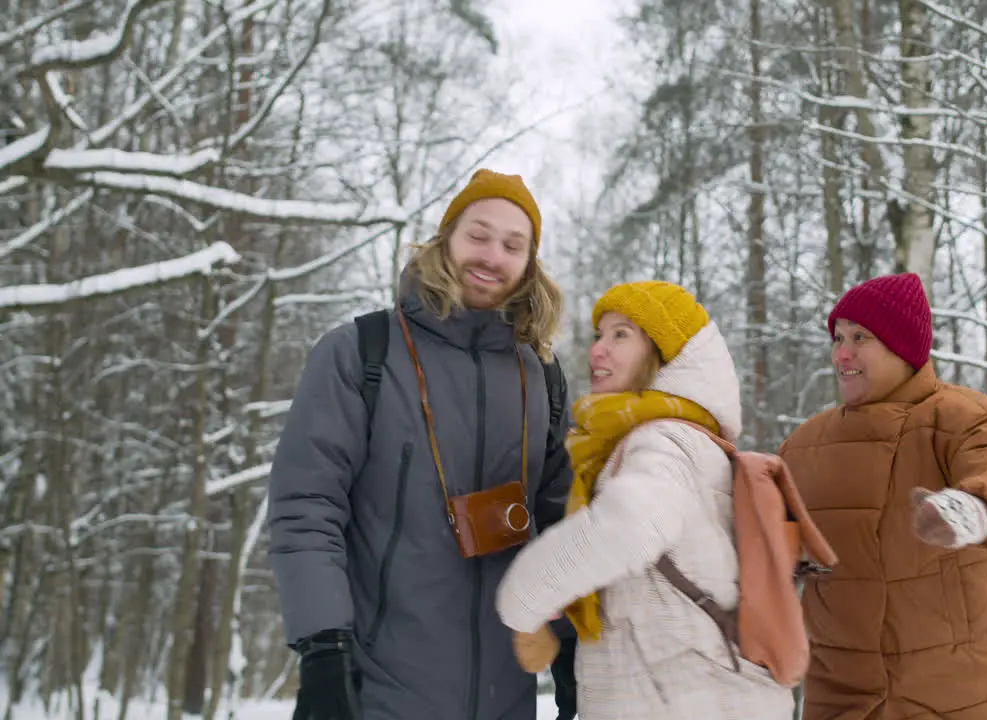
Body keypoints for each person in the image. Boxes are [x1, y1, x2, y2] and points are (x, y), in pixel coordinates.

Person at [267, 169, 577, 720]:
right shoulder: (362, 353)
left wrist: (571, 640)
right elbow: (307, 507)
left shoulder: (543, 378)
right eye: (478, 235)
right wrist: (322, 644)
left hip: (507, 699)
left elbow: (560, 529)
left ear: (530, 262)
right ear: (446, 238)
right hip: (379, 690)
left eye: (513, 244)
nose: (492, 256)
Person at [494, 281, 796, 719]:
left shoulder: (662, 440)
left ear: (665, 355)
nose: (598, 350)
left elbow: (631, 522)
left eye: (621, 335)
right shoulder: (698, 442)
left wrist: (524, 597)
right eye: (599, 335)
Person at [778, 272, 987, 719]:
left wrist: (971, 509)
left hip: (961, 698)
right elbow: (766, 539)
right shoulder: (804, 445)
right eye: (838, 337)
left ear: (903, 346)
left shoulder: (961, 416)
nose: (842, 353)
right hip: (843, 700)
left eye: (861, 337)